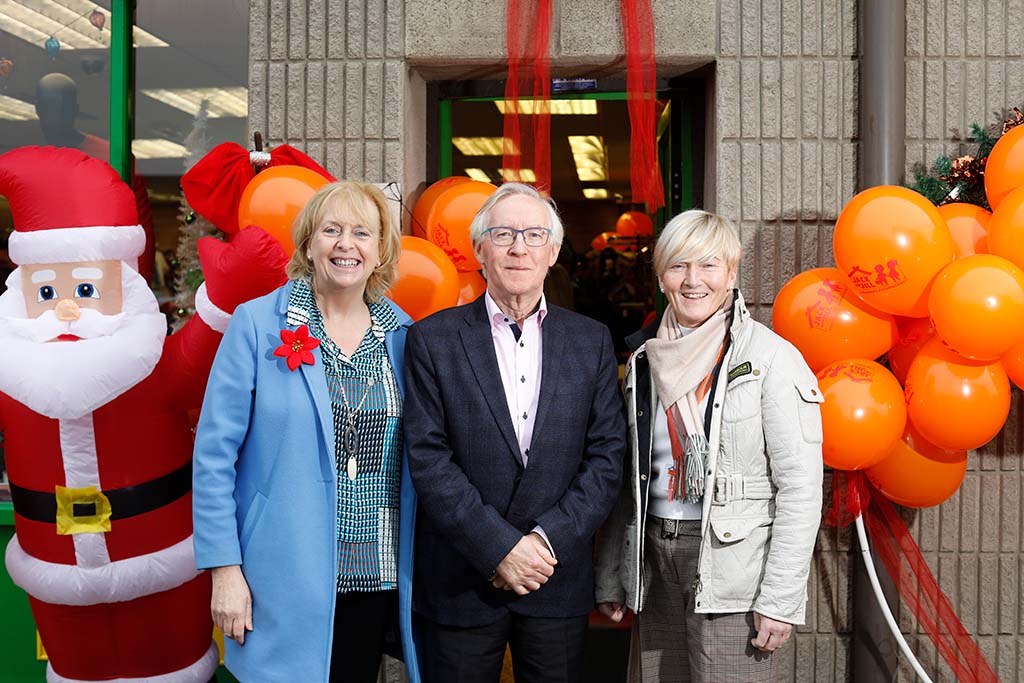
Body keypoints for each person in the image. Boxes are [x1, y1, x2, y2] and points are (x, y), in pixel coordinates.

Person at [0, 146, 284, 682]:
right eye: (46, 290)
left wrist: (226, 298)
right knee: (76, 669)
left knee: (172, 667)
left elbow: (201, 361)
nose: (66, 308)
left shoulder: (152, 364)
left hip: (163, 563)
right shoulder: (12, 371)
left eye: (85, 289)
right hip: (53, 572)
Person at [192, 181, 420, 682]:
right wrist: (223, 569)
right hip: (279, 569)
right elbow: (212, 457)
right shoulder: (258, 325)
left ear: (380, 249)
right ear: (308, 244)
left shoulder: (404, 335)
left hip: (373, 568)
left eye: (362, 232)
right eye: (331, 230)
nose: (346, 244)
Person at [404, 182, 626, 683]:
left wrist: (544, 543)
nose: (518, 246)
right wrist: (500, 547)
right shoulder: (432, 340)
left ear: (553, 252)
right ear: (480, 249)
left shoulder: (590, 341)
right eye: (502, 234)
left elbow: (608, 456)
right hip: (462, 579)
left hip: (556, 576)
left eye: (533, 234)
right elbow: (427, 458)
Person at [595, 209, 824, 682]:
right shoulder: (642, 361)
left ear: (731, 274)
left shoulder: (770, 358)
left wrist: (779, 600)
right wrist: (613, 572)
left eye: (708, 265)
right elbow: (627, 480)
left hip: (733, 569)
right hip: (653, 560)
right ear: (661, 277)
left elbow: (800, 489)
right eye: (678, 265)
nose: (692, 280)